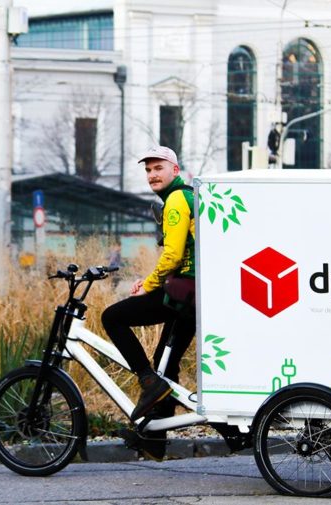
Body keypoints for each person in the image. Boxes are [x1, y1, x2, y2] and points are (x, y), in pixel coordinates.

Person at [102, 146, 247, 460]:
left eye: (159, 168)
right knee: (165, 365)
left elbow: (173, 255)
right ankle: (159, 439)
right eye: (148, 170)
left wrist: (149, 285)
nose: (152, 175)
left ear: (175, 170)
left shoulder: (177, 199)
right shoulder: (187, 196)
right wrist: (149, 281)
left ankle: (147, 381)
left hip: (185, 293)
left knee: (112, 317)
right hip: (196, 293)